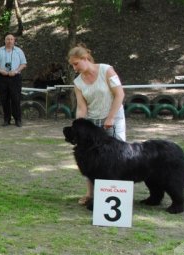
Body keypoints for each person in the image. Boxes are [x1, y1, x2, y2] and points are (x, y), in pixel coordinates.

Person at [68, 44, 126, 205]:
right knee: (90, 158)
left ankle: (118, 193)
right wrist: (78, 126)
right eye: (72, 65)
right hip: (93, 121)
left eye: (76, 64)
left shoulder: (107, 70)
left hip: (114, 117)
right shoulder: (78, 82)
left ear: (85, 58)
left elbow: (119, 94)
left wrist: (111, 117)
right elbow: (81, 107)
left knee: (117, 157)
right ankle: (91, 194)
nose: (74, 68)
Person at [0, 33, 27, 127]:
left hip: (15, 78)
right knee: (4, 99)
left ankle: (18, 120)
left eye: (11, 39)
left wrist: (16, 71)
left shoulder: (19, 51)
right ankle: (6, 120)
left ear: (14, 41)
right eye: (8, 39)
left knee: (16, 99)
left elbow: (23, 64)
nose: (10, 41)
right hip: (2, 77)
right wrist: (0, 71)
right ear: (5, 40)